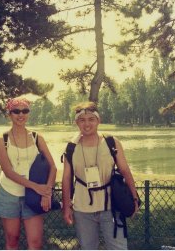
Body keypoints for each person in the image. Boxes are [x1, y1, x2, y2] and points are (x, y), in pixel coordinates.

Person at [61, 101, 139, 250]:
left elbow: (125, 170)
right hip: (82, 208)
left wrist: (134, 197)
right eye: (82, 120)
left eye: (91, 119)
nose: (87, 124)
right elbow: (66, 178)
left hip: (112, 206)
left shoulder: (111, 142)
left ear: (98, 120)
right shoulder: (71, 147)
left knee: (118, 248)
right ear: (76, 122)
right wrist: (66, 206)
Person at [0, 96, 57, 249]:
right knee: (12, 240)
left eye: (25, 111)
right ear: (9, 114)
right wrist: (35, 186)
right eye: (16, 111)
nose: (21, 115)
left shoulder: (37, 137)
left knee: (35, 243)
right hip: (9, 192)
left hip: (34, 195)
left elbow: (53, 167)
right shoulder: (1, 139)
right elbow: (8, 171)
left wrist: (46, 192)